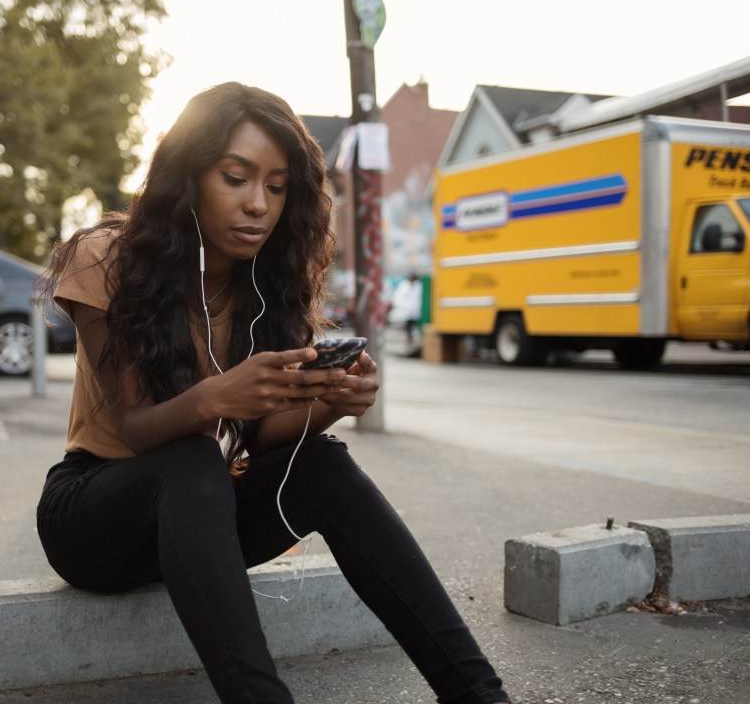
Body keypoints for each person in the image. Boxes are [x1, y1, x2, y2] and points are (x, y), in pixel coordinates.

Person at [36, 82, 511, 704]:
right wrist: (219, 395)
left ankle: (479, 694)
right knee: (189, 456)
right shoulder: (107, 259)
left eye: (277, 186)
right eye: (236, 177)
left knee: (319, 463)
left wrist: (329, 405)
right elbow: (137, 427)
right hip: (96, 516)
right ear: (190, 175)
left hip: (205, 516)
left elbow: (256, 438)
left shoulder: (267, 284)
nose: (258, 204)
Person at [390, 271, 424, 345]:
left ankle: (414, 340)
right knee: (408, 325)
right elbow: (398, 297)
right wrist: (403, 306)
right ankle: (409, 339)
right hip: (407, 310)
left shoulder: (418, 285)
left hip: (415, 309)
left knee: (415, 325)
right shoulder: (404, 285)